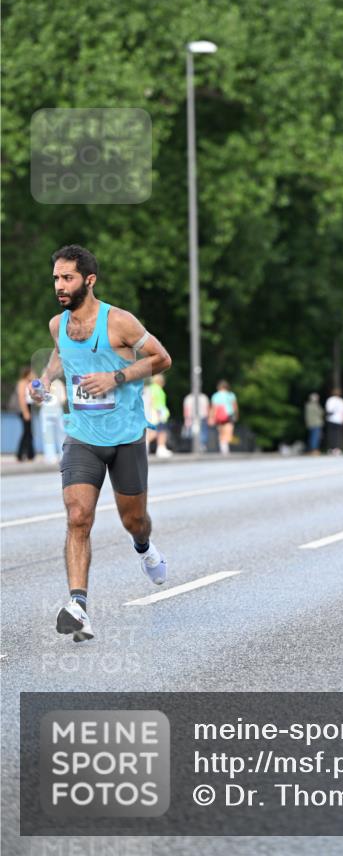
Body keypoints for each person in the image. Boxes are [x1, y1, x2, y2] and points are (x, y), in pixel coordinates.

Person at [30, 244, 172, 642]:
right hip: (82, 437)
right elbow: (61, 355)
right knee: (78, 517)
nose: (60, 285)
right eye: (57, 277)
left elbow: (162, 358)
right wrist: (45, 381)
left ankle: (144, 547)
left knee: (134, 520)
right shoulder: (58, 324)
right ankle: (79, 606)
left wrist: (117, 377)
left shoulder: (120, 322)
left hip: (125, 436)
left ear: (88, 281)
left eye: (68, 278)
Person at [39, 376, 67, 464]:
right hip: (57, 409)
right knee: (61, 434)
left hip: (46, 410)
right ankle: (63, 455)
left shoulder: (42, 383)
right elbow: (63, 399)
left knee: (47, 435)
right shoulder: (59, 383)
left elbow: (39, 400)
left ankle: (50, 457)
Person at [146, 374, 172, 458]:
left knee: (160, 431)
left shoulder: (152, 388)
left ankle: (161, 448)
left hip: (156, 412)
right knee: (158, 432)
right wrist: (158, 412)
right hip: (157, 412)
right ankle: (158, 448)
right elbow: (153, 401)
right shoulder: (156, 389)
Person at [209, 380, 238, 455]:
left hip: (218, 416)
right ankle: (225, 446)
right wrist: (236, 415)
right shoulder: (231, 395)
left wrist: (211, 417)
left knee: (221, 432)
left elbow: (213, 407)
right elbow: (234, 406)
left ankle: (223, 447)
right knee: (228, 431)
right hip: (229, 414)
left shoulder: (215, 395)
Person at [15, 365, 35, 461]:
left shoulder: (29, 383)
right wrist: (26, 412)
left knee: (29, 432)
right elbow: (21, 398)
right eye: (31, 373)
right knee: (26, 432)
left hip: (29, 408)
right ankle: (21, 454)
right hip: (24, 409)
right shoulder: (22, 383)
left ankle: (30, 454)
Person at [325, 387, 343, 455]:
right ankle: (337, 448)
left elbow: (329, 410)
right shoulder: (341, 401)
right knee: (338, 435)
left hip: (331, 419)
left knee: (332, 435)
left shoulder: (330, 400)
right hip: (338, 420)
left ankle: (332, 448)